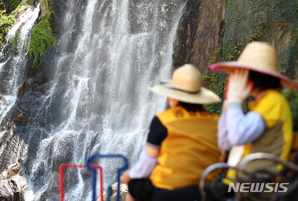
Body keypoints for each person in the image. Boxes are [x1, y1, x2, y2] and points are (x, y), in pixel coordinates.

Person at [121, 64, 221, 201]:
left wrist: (129, 175)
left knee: (134, 185)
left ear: (174, 98)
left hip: (167, 190)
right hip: (207, 189)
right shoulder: (217, 121)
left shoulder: (162, 120)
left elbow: (148, 162)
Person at [210, 41, 298, 181]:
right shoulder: (262, 102)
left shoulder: (274, 101)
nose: (234, 77)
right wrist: (229, 103)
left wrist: (235, 101)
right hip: (239, 182)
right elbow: (225, 142)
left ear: (251, 77)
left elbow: (237, 136)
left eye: (239, 73)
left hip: (253, 186)